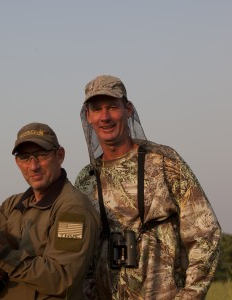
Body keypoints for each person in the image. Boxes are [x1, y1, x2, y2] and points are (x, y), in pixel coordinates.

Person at [75, 75, 221, 300]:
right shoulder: (86, 179)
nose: (105, 117)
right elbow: (80, 254)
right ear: (88, 116)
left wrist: (190, 295)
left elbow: (205, 233)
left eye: (113, 107)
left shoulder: (164, 161)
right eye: (96, 109)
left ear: (128, 109)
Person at [0, 122, 100, 299]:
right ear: (17, 162)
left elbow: (61, 278)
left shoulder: (73, 209)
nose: (33, 166)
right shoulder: (11, 206)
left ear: (59, 155)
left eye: (41, 155)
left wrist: (2, 255)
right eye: (24, 157)